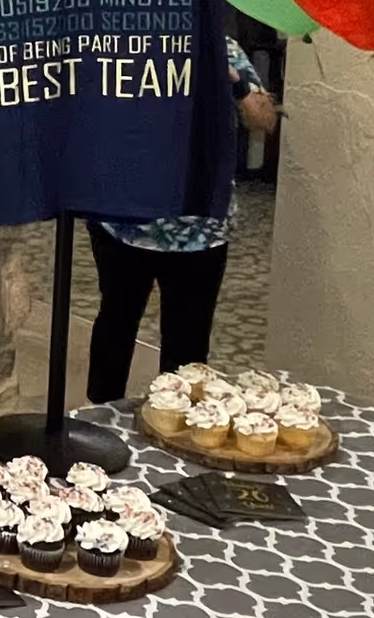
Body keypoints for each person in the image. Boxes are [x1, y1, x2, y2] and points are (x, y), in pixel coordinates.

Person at [84, 37, 279, 403]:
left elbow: (264, 119)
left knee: (187, 348)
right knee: (115, 326)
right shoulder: (119, 44)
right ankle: (99, 423)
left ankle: (179, 433)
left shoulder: (223, 48)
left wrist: (233, 81)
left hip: (201, 230)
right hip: (123, 222)